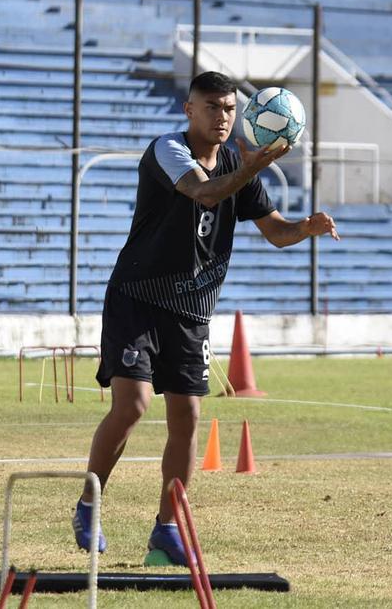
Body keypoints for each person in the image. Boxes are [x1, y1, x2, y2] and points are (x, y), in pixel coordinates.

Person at [72, 71, 339, 564]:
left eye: (230, 108)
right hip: (139, 298)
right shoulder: (167, 151)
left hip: (192, 311)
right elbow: (205, 193)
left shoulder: (240, 165)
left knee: (188, 418)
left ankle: (168, 528)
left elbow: (275, 233)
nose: (222, 116)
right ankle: (89, 501)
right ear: (188, 110)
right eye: (212, 107)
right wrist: (253, 166)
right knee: (132, 406)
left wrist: (308, 226)